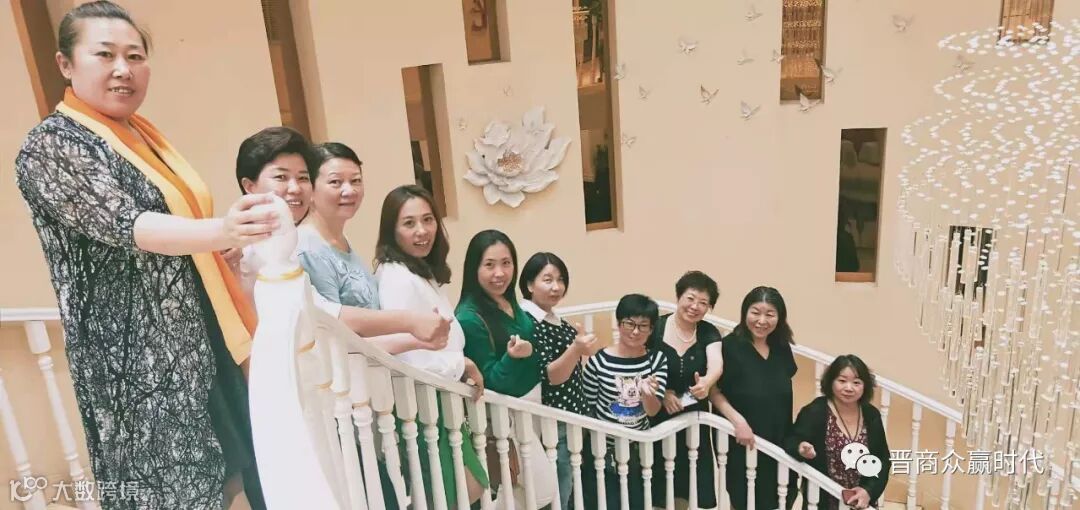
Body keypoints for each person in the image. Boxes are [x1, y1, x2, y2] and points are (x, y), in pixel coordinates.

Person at [14, 2, 271, 507]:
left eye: (135, 56)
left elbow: (174, 228)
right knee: (177, 493)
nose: (123, 69)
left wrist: (214, 255)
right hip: (137, 366)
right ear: (66, 64)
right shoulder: (51, 145)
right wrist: (219, 230)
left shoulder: (140, 135)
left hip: (197, 344)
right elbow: (126, 224)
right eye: (105, 54)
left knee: (234, 481)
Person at [229, 129, 449, 350]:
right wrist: (410, 325)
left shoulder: (288, 245)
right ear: (249, 186)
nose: (295, 188)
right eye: (281, 177)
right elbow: (326, 320)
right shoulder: (286, 249)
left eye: (303, 178)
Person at [372, 184, 487, 507]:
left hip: (438, 400)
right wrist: (463, 364)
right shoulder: (396, 277)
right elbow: (409, 357)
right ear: (392, 230)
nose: (422, 231)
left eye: (427, 219)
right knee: (452, 493)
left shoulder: (420, 272)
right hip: (421, 403)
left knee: (468, 488)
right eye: (409, 223)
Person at [457, 229, 557, 507]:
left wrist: (528, 353)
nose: (499, 273)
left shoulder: (508, 300)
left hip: (531, 405)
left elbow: (531, 350)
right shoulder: (469, 317)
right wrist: (514, 357)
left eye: (506, 263)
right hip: (507, 416)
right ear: (474, 268)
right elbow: (488, 381)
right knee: (542, 490)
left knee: (522, 492)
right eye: (489, 265)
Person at [519, 251, 597, 509]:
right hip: (553, 419)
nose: (556, 287)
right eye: (548, 279)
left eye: (561, 279)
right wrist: (576, 348)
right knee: (556, 489)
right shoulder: (528, 321)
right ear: (529, 284)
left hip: (571, 416)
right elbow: (551, 376)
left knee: (568, 483)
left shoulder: (556, 320)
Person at [711, 286, 800, 510]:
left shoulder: (781, 346)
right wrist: (738, 421)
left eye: (770, 314)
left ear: (780, 317)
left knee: (782, 495)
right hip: (742, 439)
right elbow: (713, 391)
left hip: (779, 437)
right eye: (755, 312)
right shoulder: (730, 346)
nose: (762, 321)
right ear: (745, 312)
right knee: (745, 498)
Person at [580, 293, 669, 510]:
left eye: (643, 326)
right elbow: (588, 409)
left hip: (638, 449)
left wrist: (648, 393)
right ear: (619, 323)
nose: (635, 331)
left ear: (651, 329)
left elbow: (653, 411)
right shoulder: (599, 362)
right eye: (630, 323)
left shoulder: (657, 360)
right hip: (603, 450)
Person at [647, 270, 723, 508]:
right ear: (678, 296)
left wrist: (707, 382)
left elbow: (716, 363)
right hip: (657, 414)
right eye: (690, 298)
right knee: (657, 485)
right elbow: (639, 364)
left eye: (703, 303)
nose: (695, 306)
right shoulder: (656, 328)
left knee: (688, 485)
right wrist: (663, 393)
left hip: (693, 418)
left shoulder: (708, 332)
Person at [785, 355, 891, 510]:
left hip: (860, 502)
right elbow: (791, 440)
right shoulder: (815, 411)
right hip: (822, 500)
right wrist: (801, 448)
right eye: (842, 381)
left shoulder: (871, 414)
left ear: (865, 386)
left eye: (856, 382)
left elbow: (882, 459)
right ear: (831, 381)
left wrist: (868, 491)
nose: (849, 388)